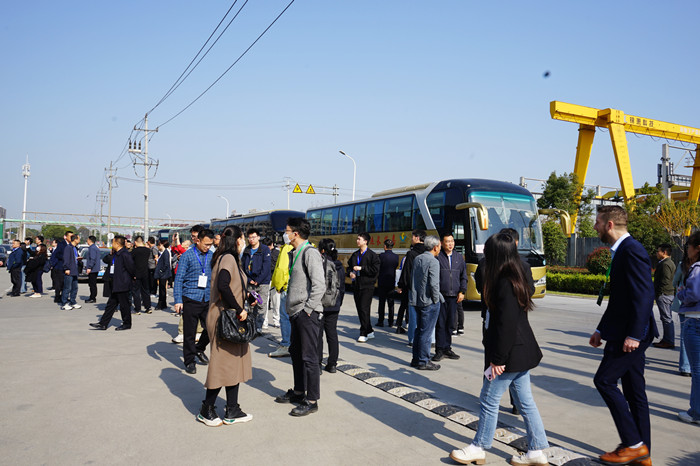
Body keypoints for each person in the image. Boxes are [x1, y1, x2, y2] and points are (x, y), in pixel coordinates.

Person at [449, 233, 549, 466]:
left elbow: (506, 325)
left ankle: (479, 447)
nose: (485, 255)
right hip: (520, 350)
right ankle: (536, 450)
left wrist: (498, 359)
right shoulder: (515, 276)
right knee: (525, 402)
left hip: (509, 353)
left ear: (497, 254)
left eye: (488, 251)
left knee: (488, 399)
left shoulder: (505, 283)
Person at [589, 206, 656, 465]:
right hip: (623, 331)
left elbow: (644, 296)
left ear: (609, 225)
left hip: (630, 336)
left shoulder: (632, 250)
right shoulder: (622, 250)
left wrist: (635, 335)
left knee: (604, 381)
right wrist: (600, 329)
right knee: (635, 392)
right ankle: (643, 453)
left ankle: (634, 444)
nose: (594, 227)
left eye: (597, 222)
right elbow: (619, 300)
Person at [197, 226, 253, 427]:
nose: (244, 241)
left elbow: (233, 286)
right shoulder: (228, 258)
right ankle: (207, 409)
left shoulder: (227, 258)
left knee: (233, 363)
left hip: (228, 315)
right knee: (222, 363)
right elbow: (223, 285)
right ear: (237, 239)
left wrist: (248, 297)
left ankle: (232, 409)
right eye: (243, 238)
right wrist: (239, 309)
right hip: (225, 317)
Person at [274, 217, 325, 416]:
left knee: (310, 358)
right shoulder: (294, 252)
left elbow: (319, 285)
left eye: (287, 231)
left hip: (306, 313)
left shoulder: (310, 253)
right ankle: (298, 391)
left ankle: (312, 400)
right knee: (296, 354)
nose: (284, 234)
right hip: (295, 312)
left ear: (295, 233)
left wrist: (308, 309)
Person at [173, 228, 215, 374]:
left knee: (212, 327)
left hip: (207, 298)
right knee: (189, 333)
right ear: (198, 240)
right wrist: (178, 300)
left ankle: (199, 348)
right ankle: (190, 361)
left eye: (210, 244)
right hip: (191, 298)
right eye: (206, 244)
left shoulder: (212, 256)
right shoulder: (187, 256)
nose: (208, 247)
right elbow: (179, 279)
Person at [676, 231, 700, 425]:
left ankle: (696, 412)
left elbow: (694, 294)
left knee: (697, 370)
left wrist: (681, 293)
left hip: (695, 321)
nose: (687, 250)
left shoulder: (697, 269)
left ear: (697, 248)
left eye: (688, 246)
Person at [409, 235, 443, 370]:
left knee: (419, 330)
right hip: (429, 301)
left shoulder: (418, 258)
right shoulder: (434, 261)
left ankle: (416, 358)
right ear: (435, 247)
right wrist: (436, 299)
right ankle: (423, 360)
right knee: (426, 332)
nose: (440, 249)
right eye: (439, 246)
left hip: (417, 299)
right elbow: (434, 284)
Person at [90, 236, 135, 331]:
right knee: (111, 305)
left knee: (124, 305)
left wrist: (129, 280)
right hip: (115, 283)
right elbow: (108, 261)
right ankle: (103, 324)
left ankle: (127, 324)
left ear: (117, 244)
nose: (112, 244)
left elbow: (131, 269)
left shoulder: (125, 254)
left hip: (122, 284)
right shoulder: (116, 254)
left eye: (113, 242)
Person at [434, 233, 467, 362]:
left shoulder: (459, 257)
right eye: (447, 241)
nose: (450, 244)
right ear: (442, 243)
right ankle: (439, 349)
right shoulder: (438, 257)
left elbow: (463, 276)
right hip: (441, 296)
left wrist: (462, 291)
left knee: (450, 323)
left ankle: (447, 348)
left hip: (454, 296)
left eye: (452, 241)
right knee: (440, 323)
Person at [317, 238, 345, 374]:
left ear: (322, 250)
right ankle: (332, 364)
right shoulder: (339, 266)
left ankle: (317, 364)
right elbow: (342, 288)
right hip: (335, 304)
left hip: (321, 304)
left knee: (318, 334)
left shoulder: (320, 264)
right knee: (332, 334)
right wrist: (338, 302)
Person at [347, 232, 380, 342]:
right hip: (356, 285)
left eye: (359, 239)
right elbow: (349, 267)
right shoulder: (355, 254)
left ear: (365, 241)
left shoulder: (372, 255)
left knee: (364, 309)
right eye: (357, 239)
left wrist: (362, 268)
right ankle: (369, 330)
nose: (357, 241)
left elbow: (375, 270)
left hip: (367, 286)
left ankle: (363, 333)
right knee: (360, 309)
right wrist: (350, 273)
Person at [396, 229, 427, 337]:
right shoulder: (428, 252)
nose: (411, 239)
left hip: (411, 286)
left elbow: (407, 271)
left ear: (417, 238)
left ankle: (401, 326)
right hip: (424, 286)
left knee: (406, 306)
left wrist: (401, 285)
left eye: (412, 237)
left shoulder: (411, 253)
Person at [241, 228, 272, 331]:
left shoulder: (265, 250)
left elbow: (266, 267)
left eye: (253, 237)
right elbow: (243, 267)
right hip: (250, 283)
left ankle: (259, 326)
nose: (251, 240)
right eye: (249, 238)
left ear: (258, 237)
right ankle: (251, 325)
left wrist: (258, 280)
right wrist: (249, 279)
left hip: (262, 283)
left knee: (261, 304)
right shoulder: (247, 250)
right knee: (251, 305)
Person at [268, 234, 294, 358]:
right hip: (299, 288)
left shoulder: (286, 249)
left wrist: (278, 286)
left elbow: (281, 270)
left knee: (284, 317)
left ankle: (286, 345)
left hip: (286, 287)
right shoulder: (307, 247)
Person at [672, 245, 692, 377]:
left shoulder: (682, 264)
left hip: (684, 304)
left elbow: (674, 282)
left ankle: (685, 367)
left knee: (685, 336)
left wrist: (680, 286)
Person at [652, 243, 676, 349]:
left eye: (658, 251)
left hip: (664, 294)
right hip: (667, 293)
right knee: (666, 317)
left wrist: (659, 292)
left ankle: (669, 341)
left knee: (666, 318)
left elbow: (665, 280)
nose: (657, 253)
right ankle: (666, 339)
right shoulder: (668, 262)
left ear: (664, 252)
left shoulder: (665, 264)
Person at [377, 239, 399, 327]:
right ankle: (390, 322)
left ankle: (381, 321)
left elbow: (379, 267)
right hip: (391, 282)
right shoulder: (396, 257)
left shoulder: (381, 256)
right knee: (391, 303)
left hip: (382, 281)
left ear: (385, 246)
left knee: (381, 303)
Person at [130, 236, 153, 314]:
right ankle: (148, 307)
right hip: (145, 273)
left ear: (135, 242)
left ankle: (137, 309)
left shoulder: (134, 251)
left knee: (136, 291)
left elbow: (131, 263)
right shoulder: (147, 250)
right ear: (143, 242)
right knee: (146, 291)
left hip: (136, 274)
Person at [50, 230, 72, 303]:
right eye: (70, 236)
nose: (71, 238)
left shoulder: (72, 245)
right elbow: (58, 254)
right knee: (59, 283)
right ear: (65, 237)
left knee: (65, 284)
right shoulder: (61, 244)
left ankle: (64, 297)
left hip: (68, 267)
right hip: (60, 266)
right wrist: (65, 257)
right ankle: (57, 297)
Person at [262, 237, 281, 328]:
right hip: (265, 280)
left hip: (274, 280)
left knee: (276, 303)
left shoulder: (277, 253)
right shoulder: (261, 253)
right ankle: (264, 321)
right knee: (264, 303)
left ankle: (276, 320)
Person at [61, 234, 82, 311]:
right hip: (69, 270)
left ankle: (73, 301)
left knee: (74, 287)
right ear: (75, 239)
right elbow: (66, 258)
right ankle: (64, 303)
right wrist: (66, 268)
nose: (79, 240)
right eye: (78, 238)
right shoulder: (68, 247)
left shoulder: (75, 248)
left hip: (74, 270)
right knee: (67, 288)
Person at [154, 239, 172, 310]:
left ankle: (161, 304)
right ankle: (163, 304)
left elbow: (166, 264)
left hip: (163, 274)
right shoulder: (163, 252)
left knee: (162, 290)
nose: (158, 246)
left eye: (159, 245)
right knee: (162, 289)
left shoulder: (166, 252)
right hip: (163, 274)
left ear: (162, 245)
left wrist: (161, 271)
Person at [84, 236, 101, 303]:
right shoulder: (95, 247)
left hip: (93, 269)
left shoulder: (92, 248)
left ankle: (92, 298)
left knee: (92, 284)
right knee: (93, 283)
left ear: (90, 240)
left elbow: (92, 259)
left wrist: (89, 267)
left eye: (87, 239)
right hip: (95, 269)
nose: (87, 241)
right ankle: (92, 297)